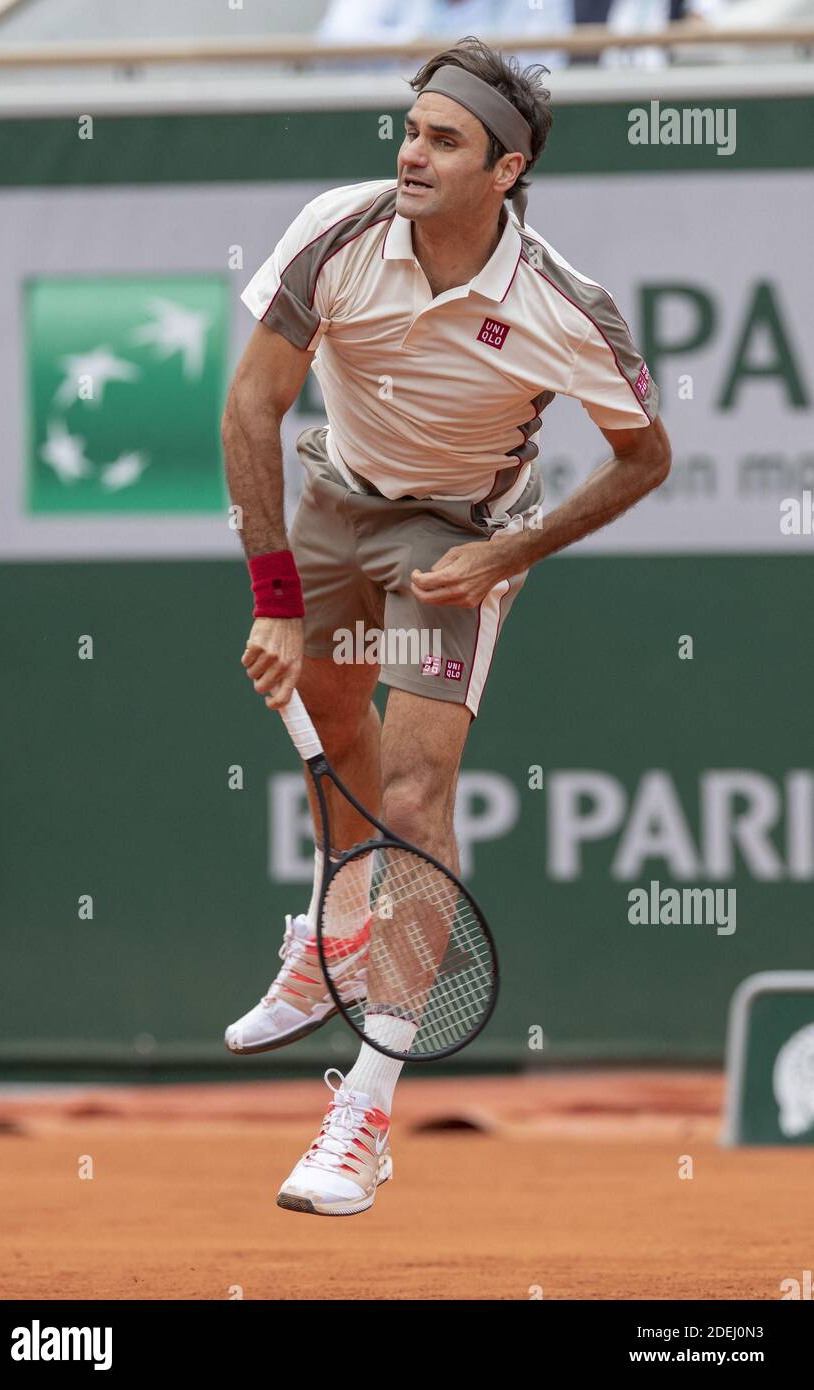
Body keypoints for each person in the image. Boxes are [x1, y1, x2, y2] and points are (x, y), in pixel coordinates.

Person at [222, 35, 671, 1217]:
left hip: (454, 539)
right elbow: (254, 404)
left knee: (416, 793)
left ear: (505, 170)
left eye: (443, 140)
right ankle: (336, 922)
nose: (410, 154)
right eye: (410, 129)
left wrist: (508, 550)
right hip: (334, 499)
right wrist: (273, 595)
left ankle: (363, 1114)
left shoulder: (564, 308)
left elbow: (644, 456)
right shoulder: (340, 231)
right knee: (330, 713)